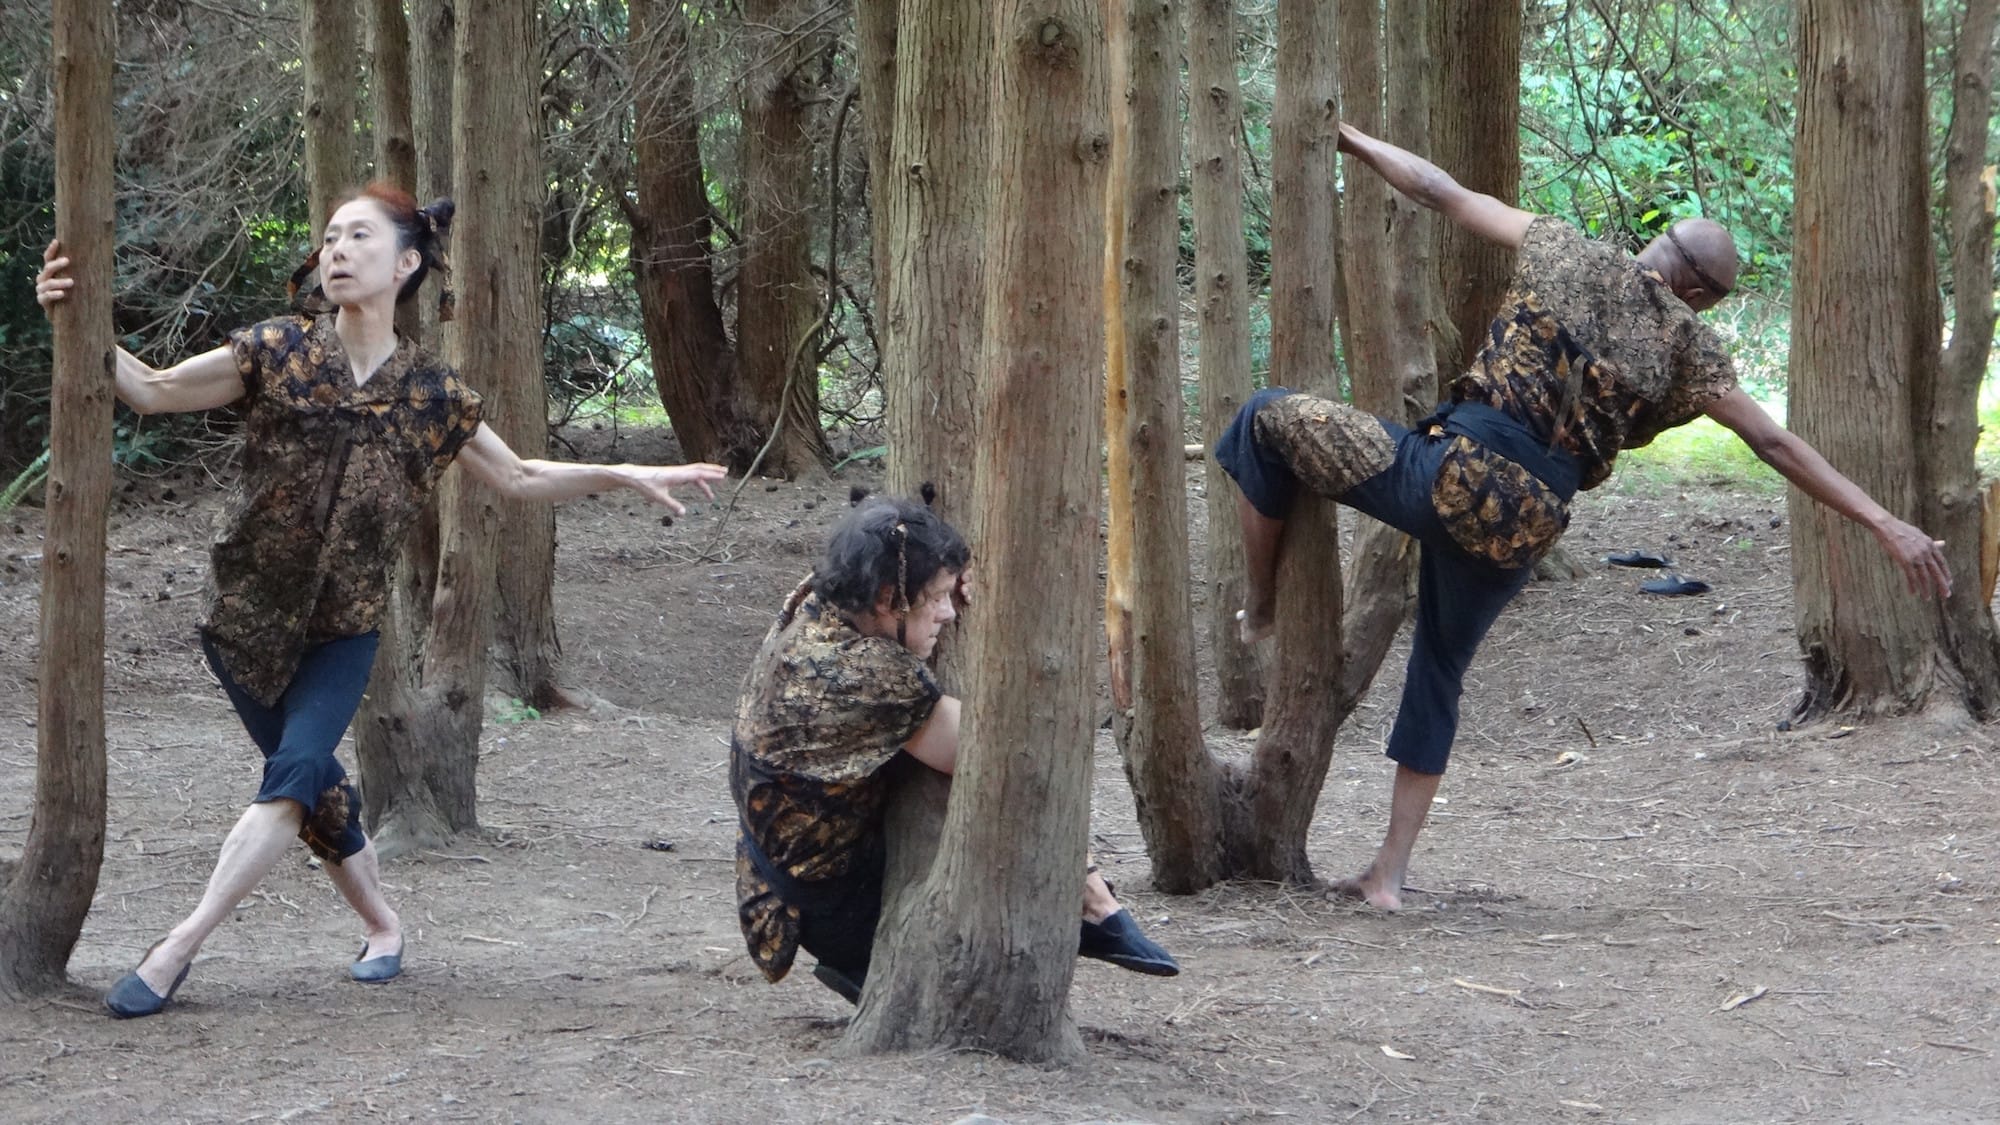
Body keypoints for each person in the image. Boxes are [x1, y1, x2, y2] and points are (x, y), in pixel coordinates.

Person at [1214, 122, 1952, 912]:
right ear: (1700, 294)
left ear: (1658, 247)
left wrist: (1355, 139)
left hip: (1450, 476)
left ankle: (1260, 605)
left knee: (1263, 419)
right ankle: (1388, 875)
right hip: (1528, 525)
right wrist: (1884, 520)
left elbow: (1439, 190)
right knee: (1440, 675)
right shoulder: (1689, 346)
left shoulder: (1563, 248)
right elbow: (1773, 442)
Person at [34, 183, 729, 1017]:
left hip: (342, 631)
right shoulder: (275, 351)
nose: (335, 250)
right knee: (316, 790)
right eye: (328, 237)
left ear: (405, 263)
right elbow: (147, 389)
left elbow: (519, 475)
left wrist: (625, 472)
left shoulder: (432, 396)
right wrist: (72, 323)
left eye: (357, 236)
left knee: (290, 780)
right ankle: (385, 923)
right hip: (243, 621)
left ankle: (177, 946)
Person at [731, 496, 1179, 1004]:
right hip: (833, 908)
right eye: (937, 597)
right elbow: (1001, 757)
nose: (949, 611)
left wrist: (947, 576)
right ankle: (1094, 905)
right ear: (886, 598)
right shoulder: (864, 672)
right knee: (1008, 778)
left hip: (781, 880)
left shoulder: (813, 605)